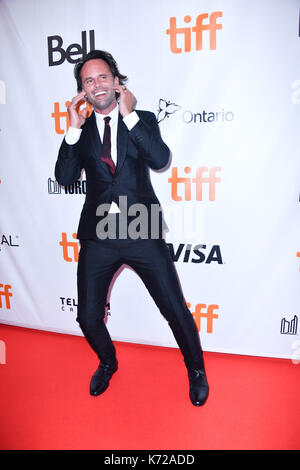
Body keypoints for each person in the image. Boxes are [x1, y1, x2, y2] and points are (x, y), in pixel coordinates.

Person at [55, 50, 209, 406]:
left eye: (103, 77)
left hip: (143, 229)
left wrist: (129, 115)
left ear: (116, 81)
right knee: (88, 316)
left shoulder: (142, 119)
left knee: (174, 308)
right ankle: (108, 362)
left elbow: (160, 159)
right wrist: (73, 128)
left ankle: (197, 370)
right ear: (82, 91)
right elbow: (64, 178)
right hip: (98, 237)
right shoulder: (80, 133)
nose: (97, 85)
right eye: (88, 81)